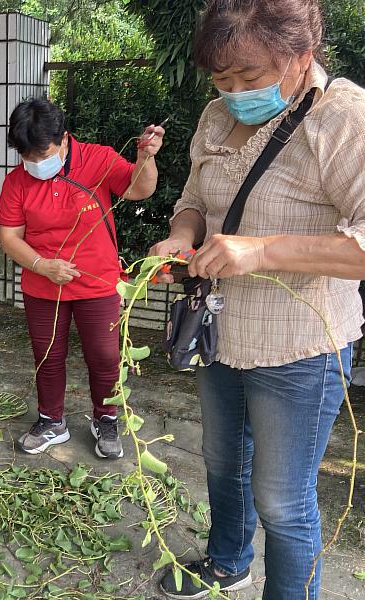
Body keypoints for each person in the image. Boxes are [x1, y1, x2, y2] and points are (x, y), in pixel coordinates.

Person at [150, 1, 365, 597]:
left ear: (301, 57)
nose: (235, 92)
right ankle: (228, 563)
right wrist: (179, 237)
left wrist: (262, 251)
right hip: (222, 332)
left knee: (283, 499)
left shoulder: (343, 118)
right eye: (221, 80)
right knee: (223, 464)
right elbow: (195, 199)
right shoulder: (216, 117)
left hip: (299, 346)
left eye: (250, 77)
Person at [0, 98, 164, 459]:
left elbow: (139, 189)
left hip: (98, 283)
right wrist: (42, 265)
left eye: (44, 154)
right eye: (29, 157)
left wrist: (146, 159)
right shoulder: (17, 182)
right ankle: (51, 421)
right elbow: (10, 237)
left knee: (104, 356)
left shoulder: (98, 159)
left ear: (65, 138)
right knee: (47, 356)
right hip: (43, 285)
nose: (37, 164)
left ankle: (106, 418)